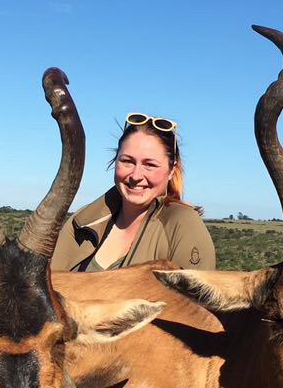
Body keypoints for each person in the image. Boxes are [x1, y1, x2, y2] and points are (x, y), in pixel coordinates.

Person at [52, 112, 215, 271]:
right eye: (127, 161)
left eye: (150, 165)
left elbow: (194, 296)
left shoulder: (182, 224)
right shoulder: (83, 222)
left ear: (172, 170)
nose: (136, 176)